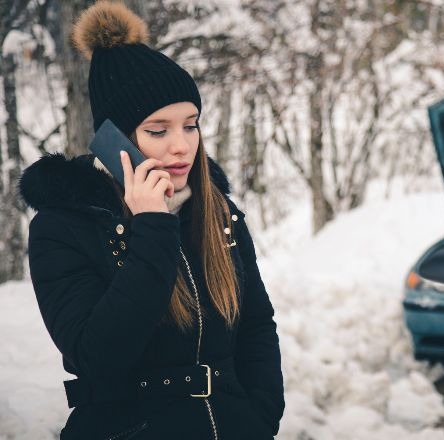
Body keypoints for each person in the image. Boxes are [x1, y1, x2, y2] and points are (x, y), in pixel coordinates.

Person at [17, 1, 284, 439]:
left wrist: (261, 417)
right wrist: (152, 226)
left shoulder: (218, 212)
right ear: (113, 138)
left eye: (191, 125)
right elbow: (99, 356)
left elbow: (256, 324)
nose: (181, 146)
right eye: (158, 131)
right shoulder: (63, 227)